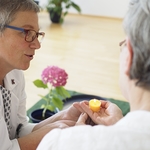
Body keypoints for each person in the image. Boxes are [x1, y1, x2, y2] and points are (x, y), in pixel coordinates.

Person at [37, 0, 150, 149]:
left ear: (130, 56)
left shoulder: (61, 142)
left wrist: (78, 140)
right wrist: (118, 124)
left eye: (123, 45)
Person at [0, 0, 83, 149]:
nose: (37, 45)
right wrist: (55, 132)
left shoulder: (15, 74)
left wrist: (62, 118)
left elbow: (18, 131)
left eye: (37, 34)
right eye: (27, 32)